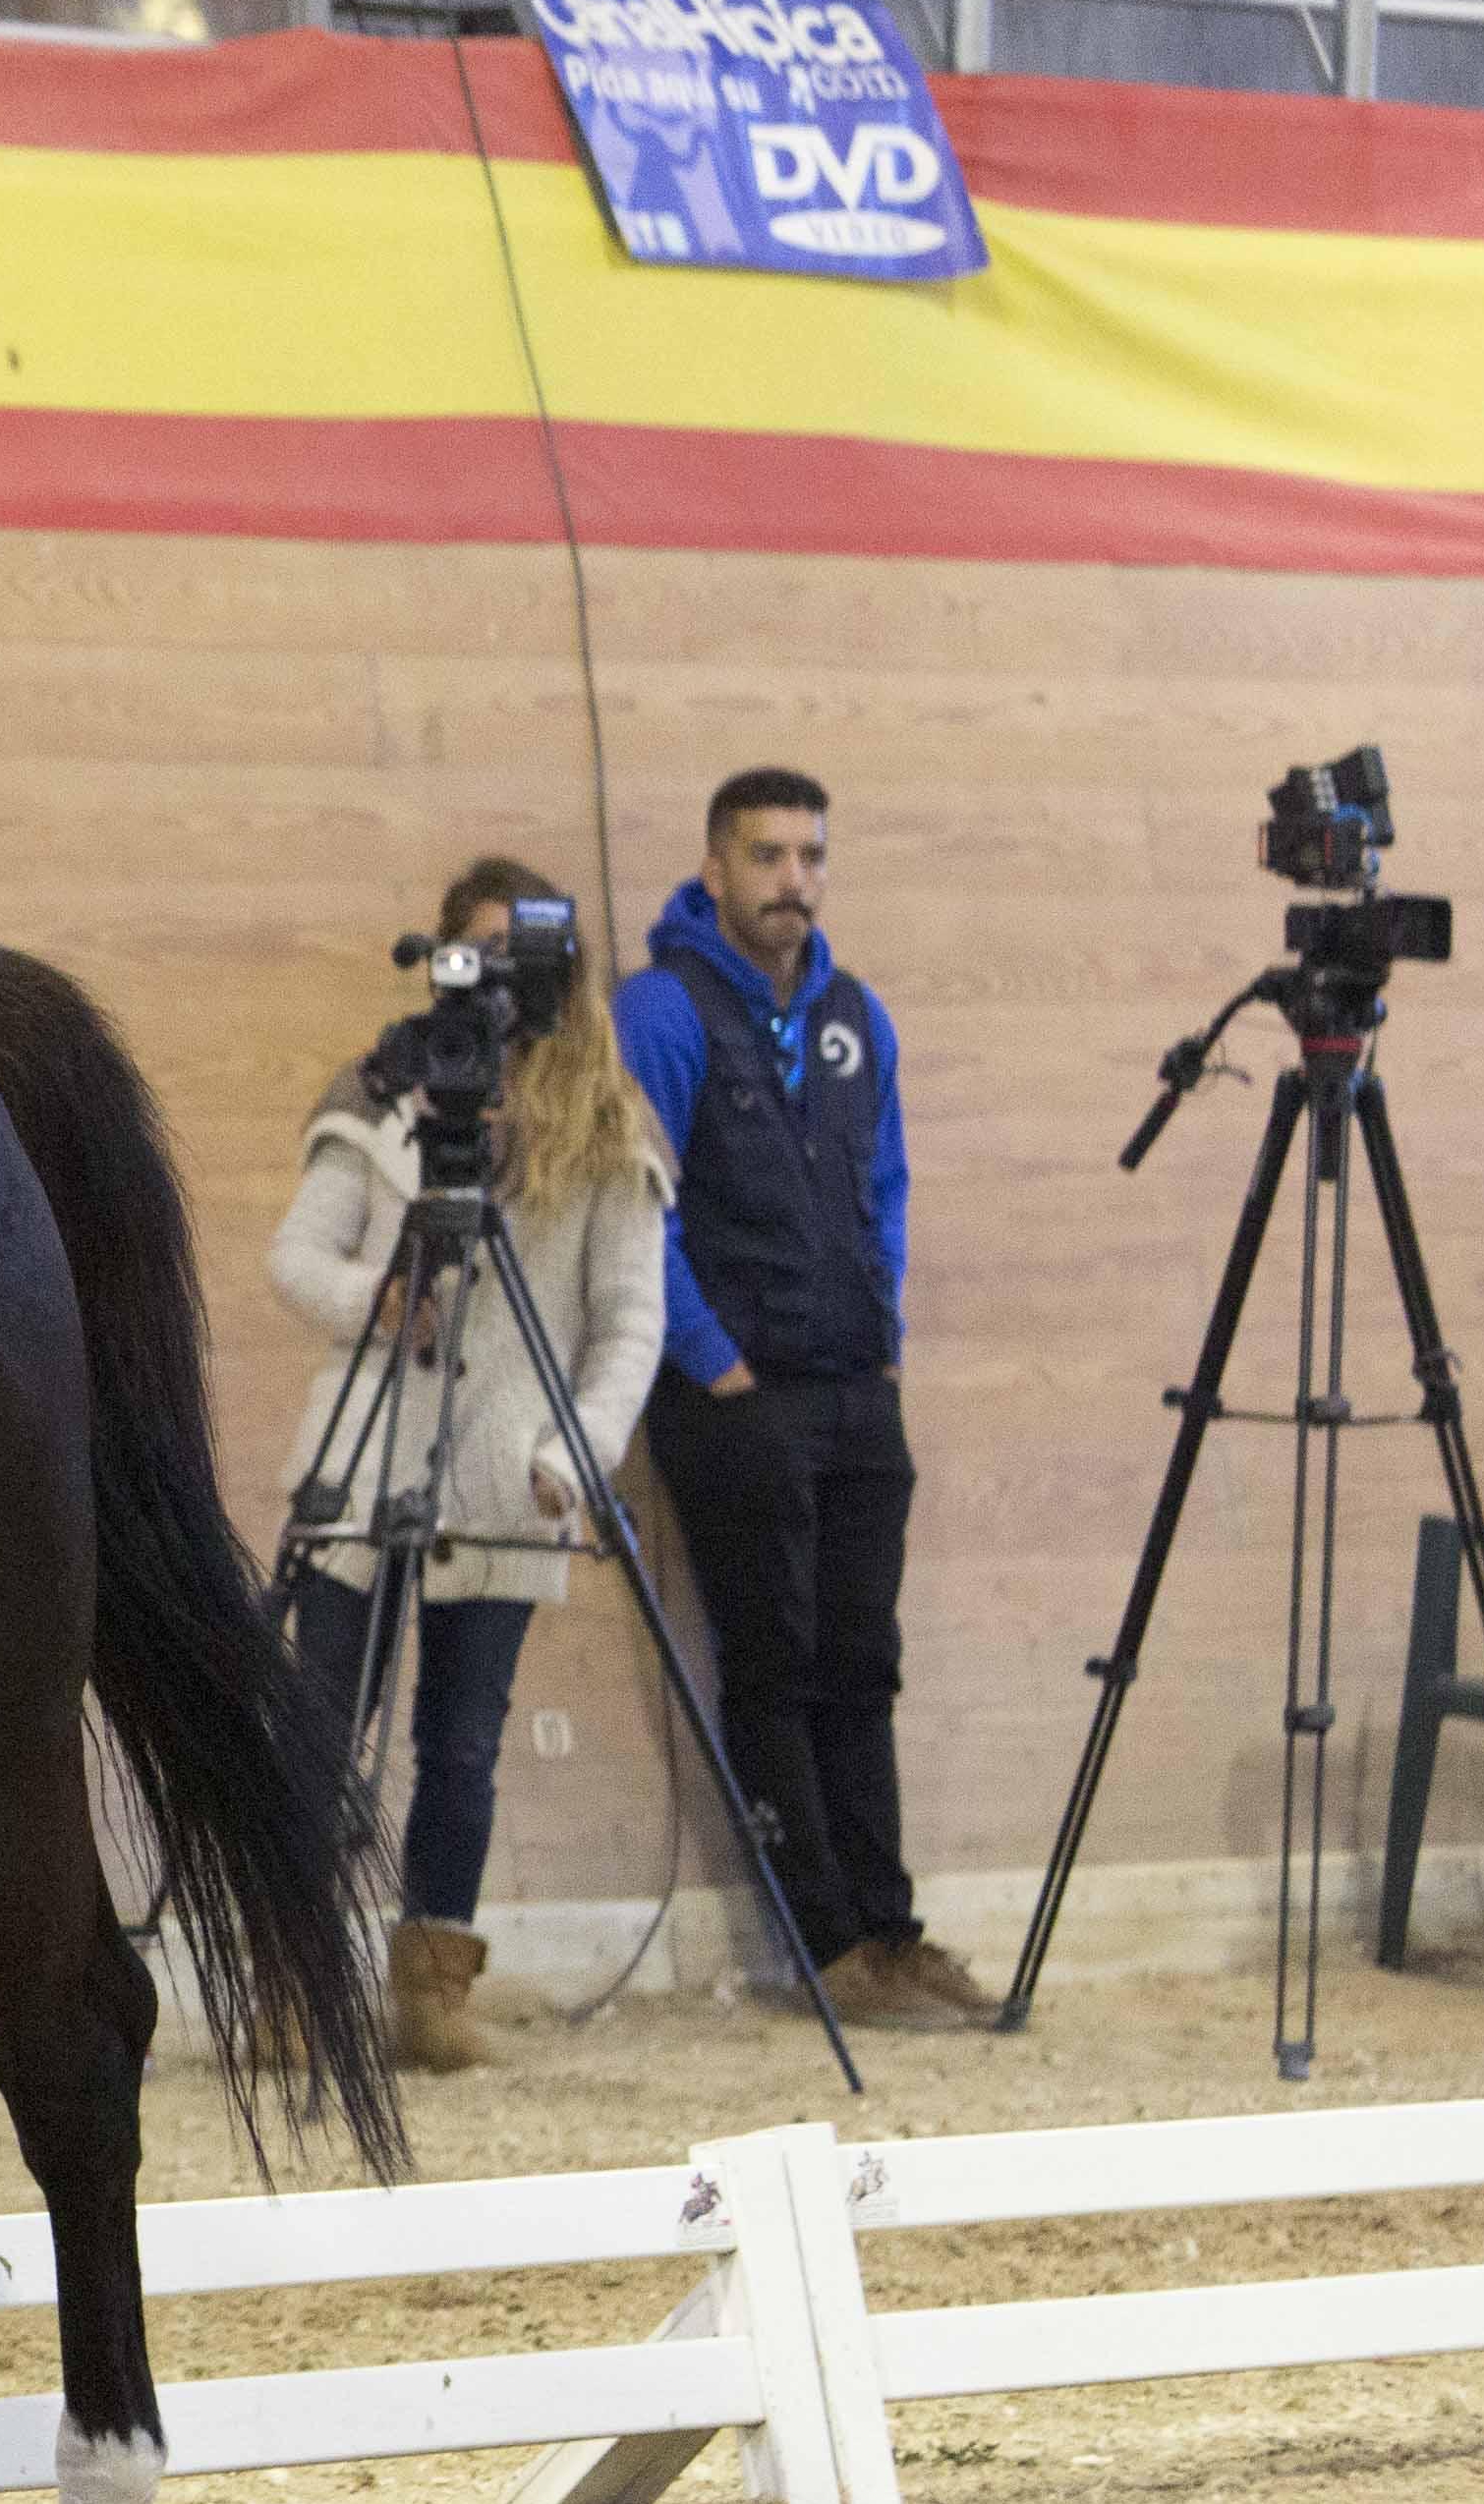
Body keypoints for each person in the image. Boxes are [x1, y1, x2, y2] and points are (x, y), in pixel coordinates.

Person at [268, 856, 670, 2073]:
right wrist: (380, 1305)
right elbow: (296, 1257)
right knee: (316, 1729)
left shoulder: (608, 1126)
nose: (499, 982)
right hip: (365, 1464)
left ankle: (429, 1993)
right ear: (441, 958)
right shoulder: (386, 1092)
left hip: (508, 1479)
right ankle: (294, 1984)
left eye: (524, 956)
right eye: (477, 952)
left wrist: (577, 1452)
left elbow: (628, 1326)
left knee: (465, 1742)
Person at [615, 769, 991, 2032]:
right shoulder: (661, 1009)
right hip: (734, 1397)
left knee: (861, 1664)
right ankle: (826, 1947)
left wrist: (884, 1329)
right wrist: (711, 1353)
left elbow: (885, 1179)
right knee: (773, 1665)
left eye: (811, 856)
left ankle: (892, 1928)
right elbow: (635, 1205)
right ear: (715, 867)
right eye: (767, 855)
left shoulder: (852, 1013)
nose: (793, 881)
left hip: (852, 1390)